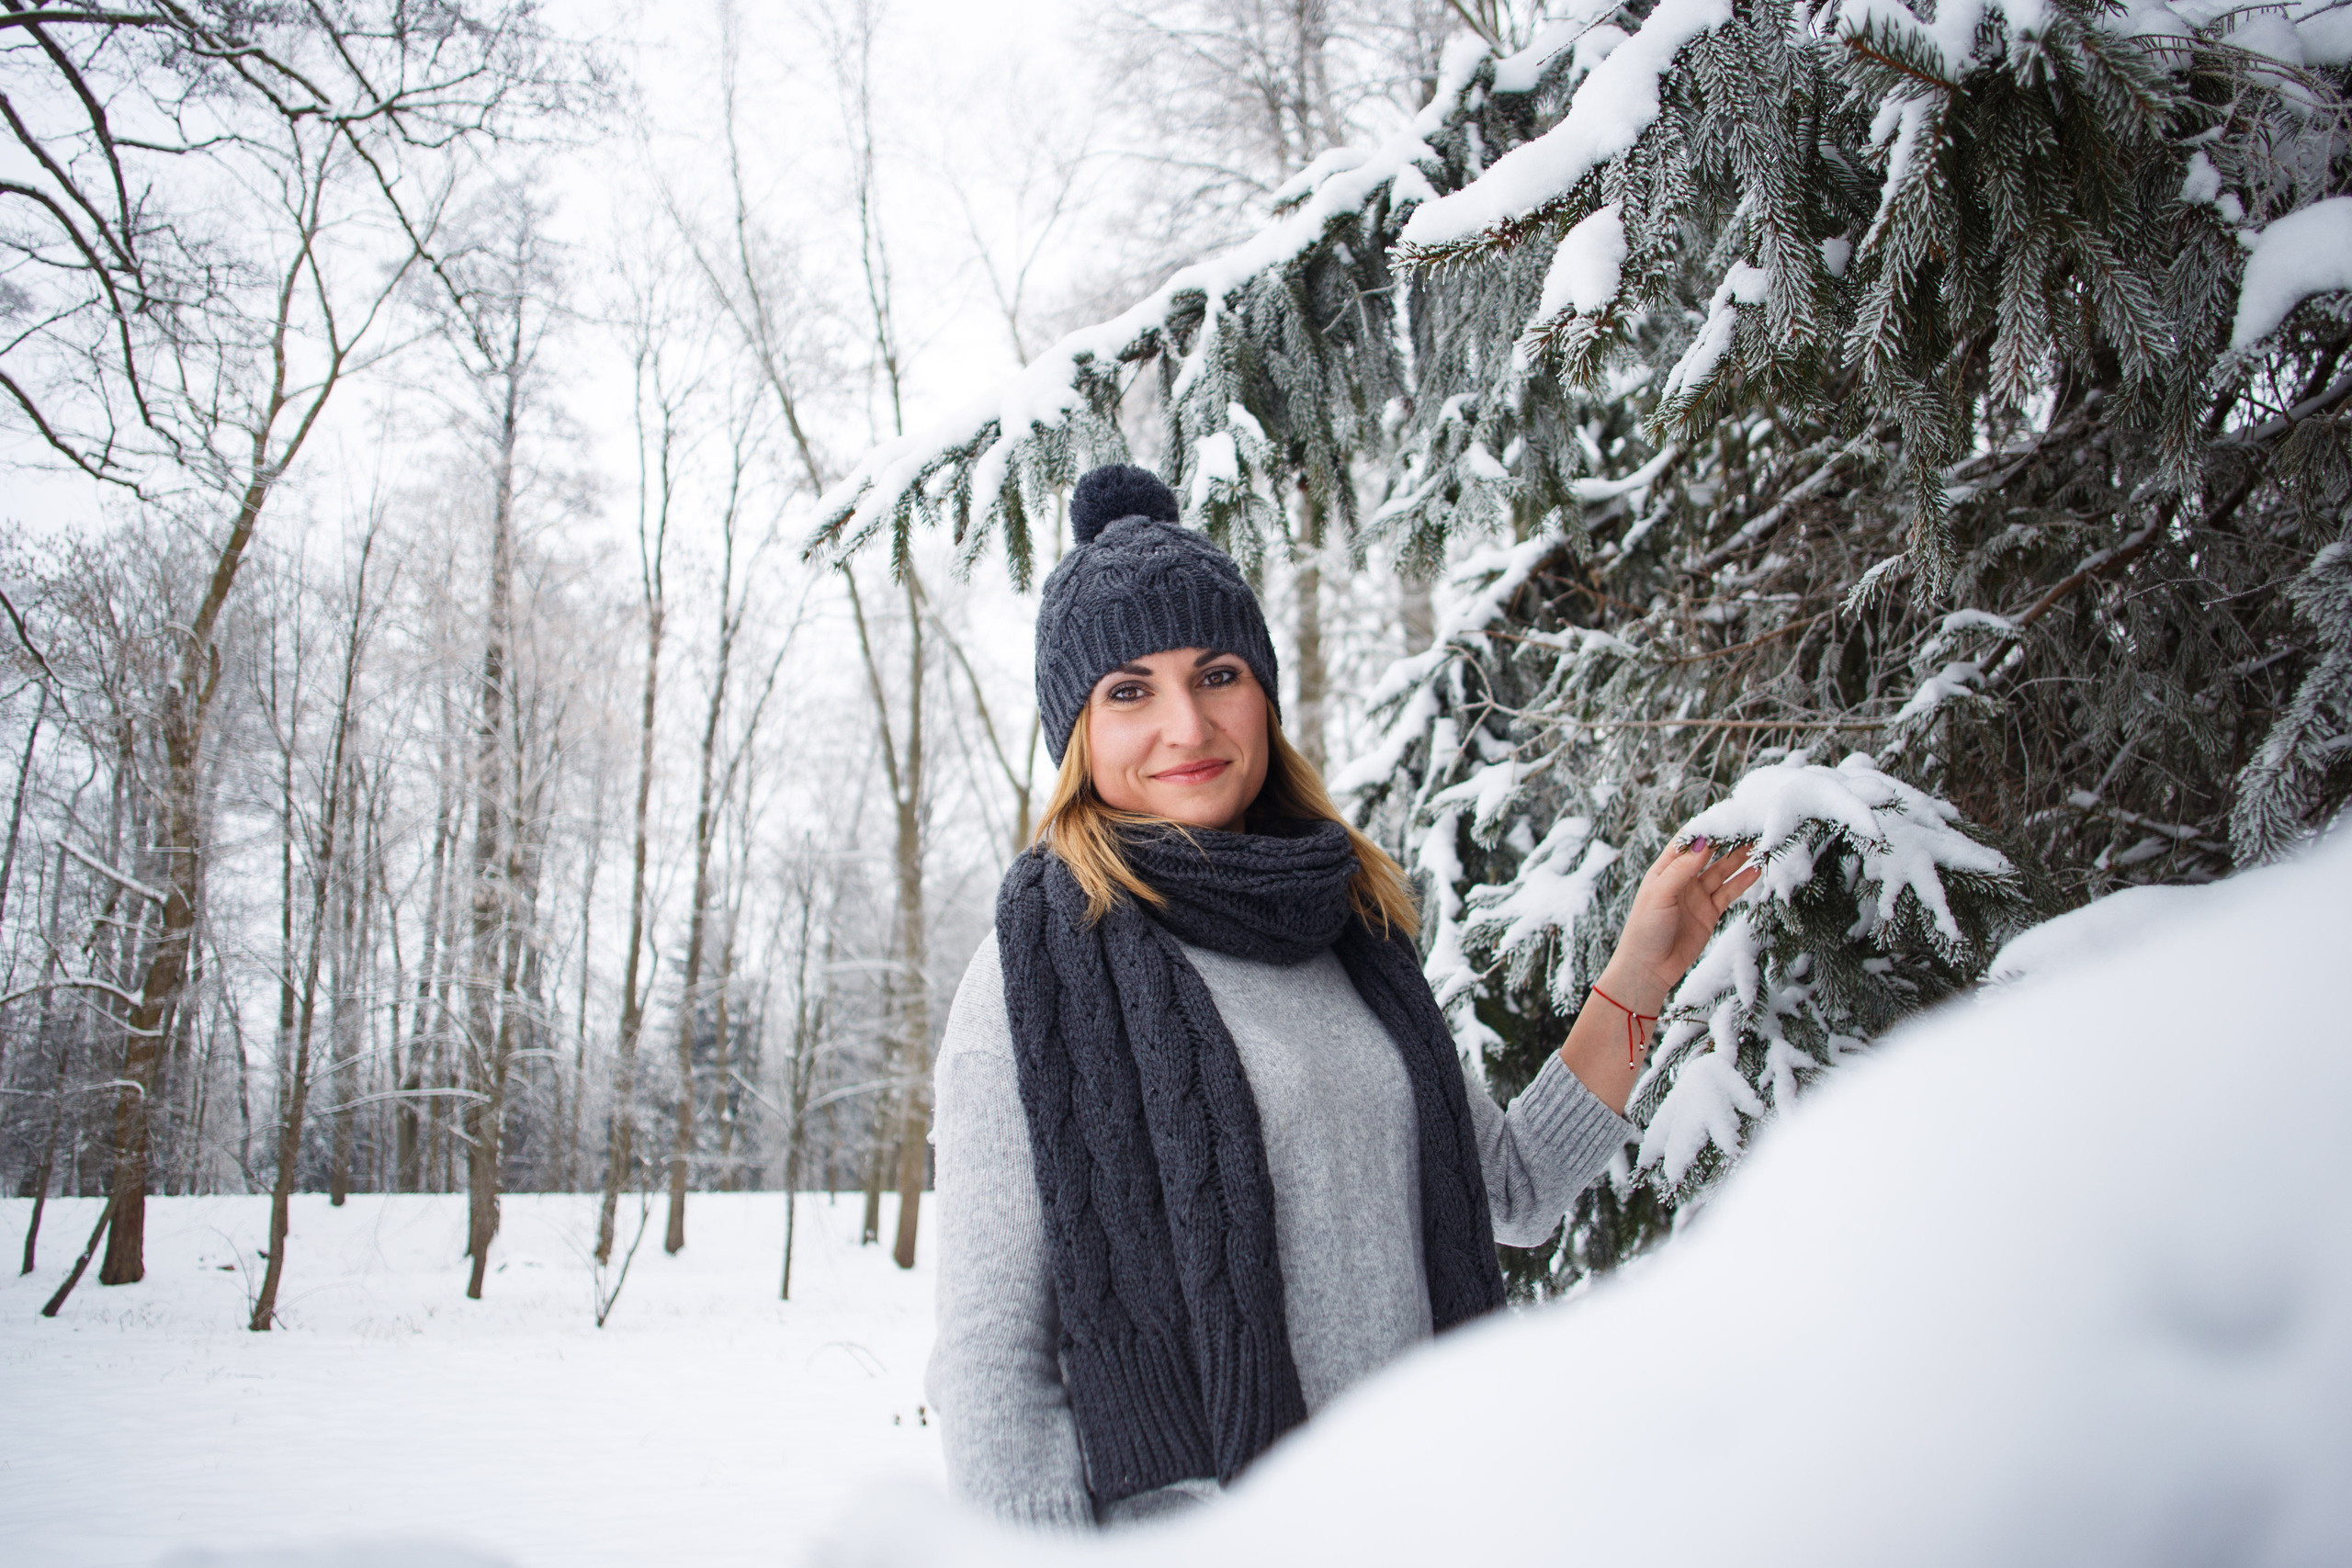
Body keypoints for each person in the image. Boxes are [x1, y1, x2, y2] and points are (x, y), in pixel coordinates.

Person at [926, 464, 1758, 1529]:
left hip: (1434, 1509)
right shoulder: (1037, 968)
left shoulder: (1348, 928)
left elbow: (1511, 1186)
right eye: (1128, 690)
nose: (1186, 725)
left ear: (1262, 695)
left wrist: (1643, 971)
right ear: (1078, 731)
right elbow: (993, 1364)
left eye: (1216, 673)